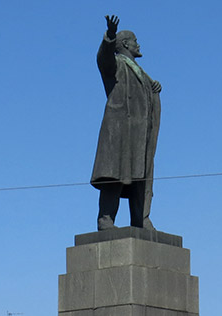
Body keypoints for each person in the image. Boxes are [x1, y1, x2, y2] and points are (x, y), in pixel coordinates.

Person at [91, 14, 162, 230]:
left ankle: (141, 218)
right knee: (115, 175)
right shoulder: (116, 64)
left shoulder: (141, 72)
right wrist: (109, 36)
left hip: (140, 133)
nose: (138, 44)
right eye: (135, 41)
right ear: (124, 44)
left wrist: (153, 88)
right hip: (120, 130)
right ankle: (106, 218)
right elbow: (103, 59)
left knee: (140, 177)